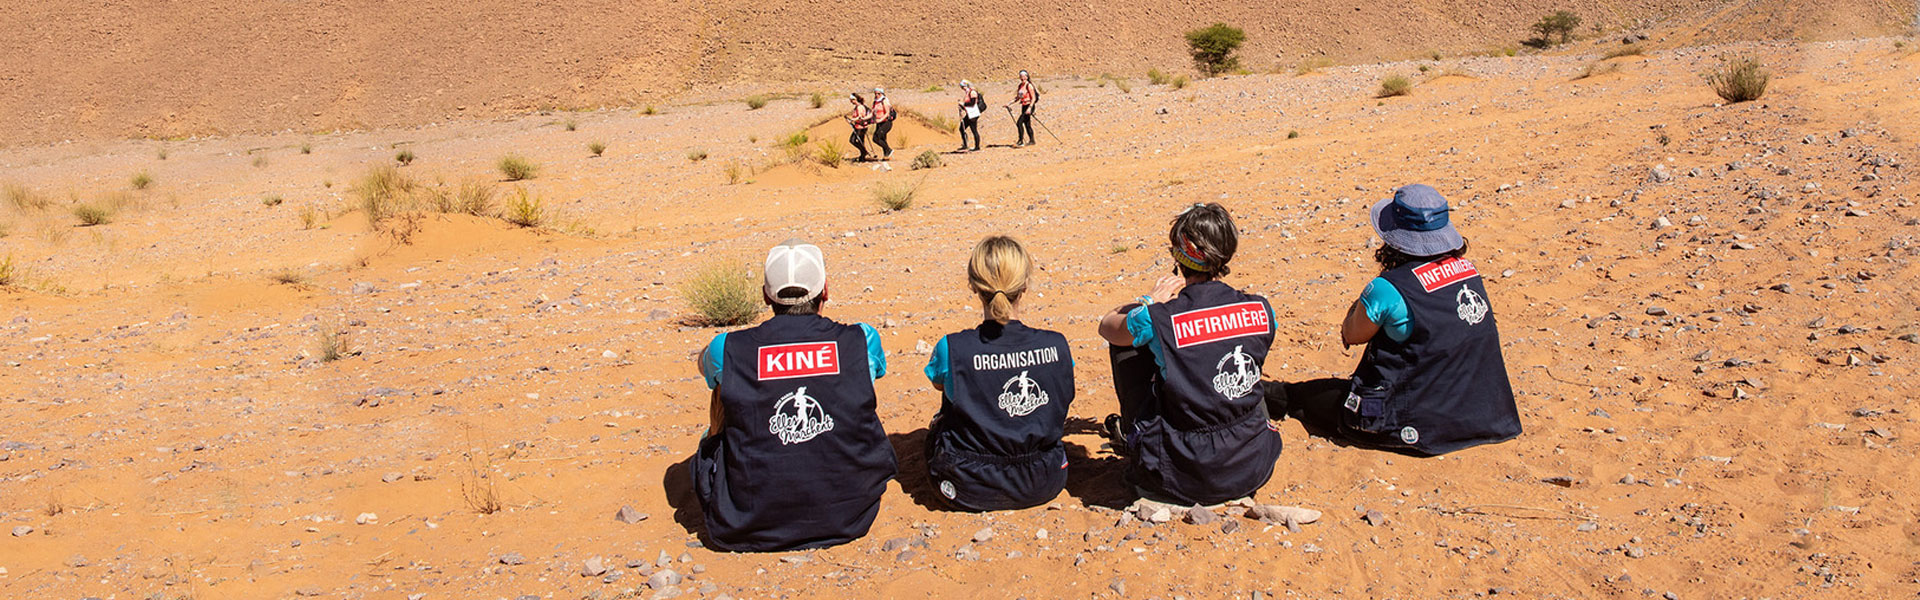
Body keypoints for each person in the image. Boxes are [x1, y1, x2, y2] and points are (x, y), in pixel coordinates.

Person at [1266, 184, 1522, 455]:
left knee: (1305, 396)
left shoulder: (1389, 288)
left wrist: (1365, 299)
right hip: (1480, 412)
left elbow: (1352, 334)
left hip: (1414, 422)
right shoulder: (1468, 272)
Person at [691, 239, 896, 551]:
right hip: (849, 514)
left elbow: (704, 366)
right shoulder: (862, 340)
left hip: (746, 521)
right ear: (825, 290)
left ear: (765, 296)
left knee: (724, 387)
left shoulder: (728, 348)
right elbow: (872, 376)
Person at [1095, 203, 1282, 507]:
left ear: (1179, 256)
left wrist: (1148, 302)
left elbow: (1108, 326)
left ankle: (1134, 435)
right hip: (1253, 464)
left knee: (1128, 343)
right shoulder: (1261, 309)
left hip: (1182, 474)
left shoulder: (1160, 318)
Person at [922, 236, 1074, 511]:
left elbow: (938, 383)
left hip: (969, 486)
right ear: (1025, 284)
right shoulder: (1057, 345)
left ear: (973, 286)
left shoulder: (952, 349)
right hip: (1046, 480)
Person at [1003, 70, 1039, 147]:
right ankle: (1032, 140)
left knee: (1019, 123)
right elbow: (1018, 98)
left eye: (1024, 76)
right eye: (1021, 76)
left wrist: (1030, 108)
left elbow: (1033, 98)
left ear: (1027, 76)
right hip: (1023, 105)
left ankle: (1020, 140)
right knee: (1027, 124)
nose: (1022, 78)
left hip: (1029, 105)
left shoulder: (1029, 85)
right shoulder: (1020, 86)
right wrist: (1009, 103)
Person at [954, 80, 984, 153]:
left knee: (974, 129)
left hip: (973, 114)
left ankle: (977, 147)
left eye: (963, 86)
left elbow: (972, 103)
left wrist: (963, 104)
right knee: (962, 128)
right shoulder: (968, 92)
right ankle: (965, 144)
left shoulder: (972, 92)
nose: (963, 88)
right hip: (969, 113)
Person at [844, 93, 874, 162]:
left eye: (851, 100)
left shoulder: (859, 107)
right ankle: (862, 156)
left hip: (861, 127)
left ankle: (864, 152)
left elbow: (860, 117)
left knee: (853, 140)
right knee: (860, 142)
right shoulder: (857, 107)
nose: (851, 102)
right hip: (859, 126)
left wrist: (852, 120)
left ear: (855, 99)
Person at [870, 87, 896, 161]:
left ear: (882, 93)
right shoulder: (875, 102)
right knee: (882, 139)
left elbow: (887, 113)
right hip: (879, 123)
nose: (877, 95)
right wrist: (864, 118)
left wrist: (880, 120)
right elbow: (872, 113)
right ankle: (886, 156)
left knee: (876, 138)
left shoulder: (884, 101)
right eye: (875, 93)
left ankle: (889, 150)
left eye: (878, 93)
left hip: (886, 122)